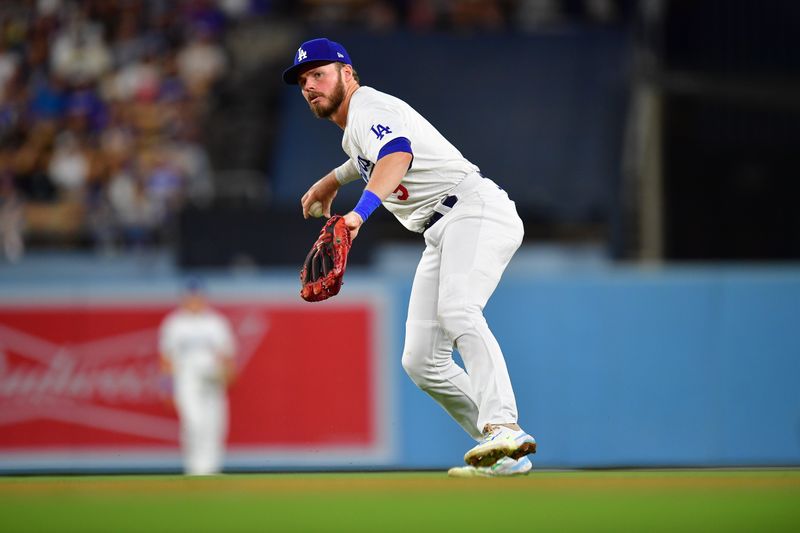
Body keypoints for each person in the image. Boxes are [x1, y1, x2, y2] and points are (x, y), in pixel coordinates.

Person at [284, 38, 536, 477]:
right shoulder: (357, 127)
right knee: (422, 361)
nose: (309, 85)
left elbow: (397, 153)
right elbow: (366, 155)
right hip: (442, 229)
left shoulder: (368, 107)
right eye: (303, 80)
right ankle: (506, 456)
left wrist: (359, 213)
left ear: (347, 74)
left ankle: (504, 427)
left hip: (473, 209)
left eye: (319, 74)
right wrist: (332, 179)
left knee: (458, 309)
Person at [159, 280, 237, 475]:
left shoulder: (215, 322)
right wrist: (167, 387)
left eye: (197, 297)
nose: (194, 301)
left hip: (212, 379)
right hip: (186, 379)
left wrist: (228, 374)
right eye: (190, 297)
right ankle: (194, 469)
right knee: (193, 422)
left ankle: (211, 470)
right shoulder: (174, 323)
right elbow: (166, 359)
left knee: (214, 425)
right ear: (184, 299)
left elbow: (227, 355)